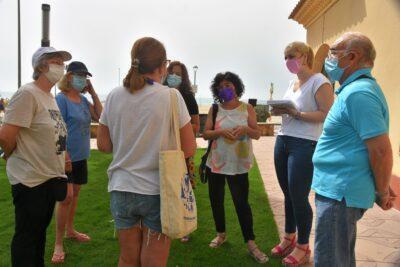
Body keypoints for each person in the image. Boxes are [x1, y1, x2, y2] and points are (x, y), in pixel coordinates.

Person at [97, 37, 196, 267]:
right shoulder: (171, 96)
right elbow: (189, 147)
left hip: (121, 188)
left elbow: (103, 145)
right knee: (153, 262)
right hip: (158, 190)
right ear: (162, 66)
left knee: (127, 259)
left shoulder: (113, 95)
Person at [312, 32, 396, 266]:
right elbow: (363, 145)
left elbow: (380, 150)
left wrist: (382, 190)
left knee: (331, 260)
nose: (329, 59)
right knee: (340, 258)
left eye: (333, 53)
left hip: (340, 193)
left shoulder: (358, 94)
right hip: (337, 191)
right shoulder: (352, 90)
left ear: (351, 57)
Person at [0, 47, 71, 267]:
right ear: (41, 66)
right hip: (31, 181)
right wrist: (12, 155)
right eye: (56, 61)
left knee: (38, 237)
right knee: (27, 239)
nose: (61, 66)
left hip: (49, 179)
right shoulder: (27, 93)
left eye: (62, 63)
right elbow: (5, 137)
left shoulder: (49, 97)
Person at [270, 42, 334, 266]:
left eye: (292, 56)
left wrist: (296, 113)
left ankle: (303, 246)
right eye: (285, 57)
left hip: (305, 144)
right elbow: (291, 110)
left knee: (298, 196)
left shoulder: (320, 81)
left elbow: (325, 114)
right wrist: (280, 110)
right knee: (288, 193)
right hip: (283, 139)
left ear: (305, 56)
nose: (288, 61)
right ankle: (289, 237)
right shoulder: (292, 83)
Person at [203, 72, 267, 264]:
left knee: (242, 204)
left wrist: (246, 130)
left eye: (229, 85)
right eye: (221, 86)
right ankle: (221, 234)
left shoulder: (247, 108)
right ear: (217, 90)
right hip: (216, 164)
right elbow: (206, 134)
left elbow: (257, 134)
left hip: (238, 165)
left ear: (236, 87)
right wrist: (221, 132)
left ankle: (251, 243)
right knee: (217, 201)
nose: (225, 89)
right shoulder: (215, 109)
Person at [51, 61, 103, 264]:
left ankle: (70, 231)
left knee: (75, 195)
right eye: (81, 75)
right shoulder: (61, 99)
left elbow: (100, 116)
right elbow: (57, 130)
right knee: (66, 197)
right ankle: (58, 243)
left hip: (81, 156)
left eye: (86, 76)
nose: (84, 79)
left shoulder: (82, 99)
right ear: (70, 76)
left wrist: (94, 94)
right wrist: (64, 156)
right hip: (65, 158)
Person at [165, 60, 199, 243]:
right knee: (166, 185)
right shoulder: (161, 93)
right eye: (172, 72)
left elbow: (196, 125)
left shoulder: (188, 96)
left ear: (184, 77)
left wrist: (178, 129)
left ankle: (184, 227)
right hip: (165, 149)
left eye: (178, 74)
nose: (174, 77)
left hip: (183, 150)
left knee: (183, 188)